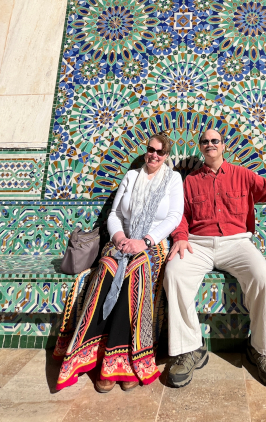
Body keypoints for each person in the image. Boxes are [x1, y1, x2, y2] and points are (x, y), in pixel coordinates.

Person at [164, 128, 266, 388]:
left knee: (263, 279)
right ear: (200, 147)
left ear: (223, 146)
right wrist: (180, 236)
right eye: (205, 142)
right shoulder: (190, 181)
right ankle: (190, 348)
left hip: (236, 243)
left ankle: (259, 349)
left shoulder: (242, 175)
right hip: (198, 243)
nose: (210, 144)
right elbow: (179, 214)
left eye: (215, 141)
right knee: (174, 275)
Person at [54, 133, 184, 392]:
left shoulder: (173, 179)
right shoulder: (132, 176)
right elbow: (114, 214)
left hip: (153, 244)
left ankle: (123, 359)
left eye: (160, 152)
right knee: (106, 270)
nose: (154, 155)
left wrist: (144, 242)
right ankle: (94, 352)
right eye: (150, 150)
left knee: (135, 273)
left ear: (166, 155)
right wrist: (120, 237)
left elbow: (173, 217)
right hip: (122, 239)